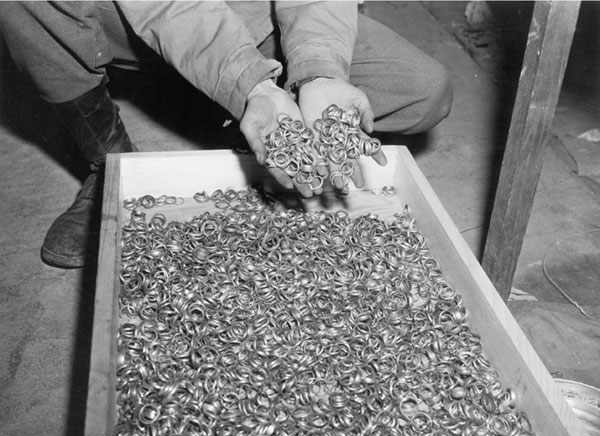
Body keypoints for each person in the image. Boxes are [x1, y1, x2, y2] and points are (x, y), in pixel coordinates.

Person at [0, 1, 453, 269]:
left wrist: (318, 71)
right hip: (127, 18)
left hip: (247, 15)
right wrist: (247, 83)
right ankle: (110, 164)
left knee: (421, 89)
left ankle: (239, 110)